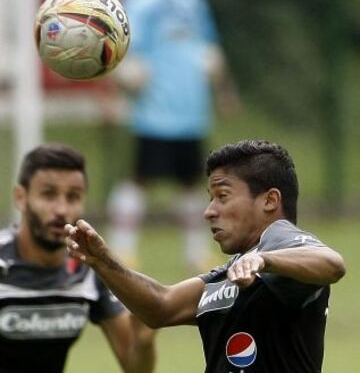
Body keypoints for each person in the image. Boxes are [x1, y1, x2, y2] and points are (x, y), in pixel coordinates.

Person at [66, 139, 346, 373]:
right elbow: (161, 306)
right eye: (211, 198)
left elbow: (331, 264)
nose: (209, 210)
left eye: (222, 196)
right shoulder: (233, 271)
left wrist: (265, 260)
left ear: (270, 201)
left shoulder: (279, 239)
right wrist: (103, 262)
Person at [0, 144, 156, 373]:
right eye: (48, 194)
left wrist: (144, 341)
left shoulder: (89, 268)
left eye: (72, 197)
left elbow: (135, 368)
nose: (61, 209)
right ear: (21, 198)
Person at [107, 0, 225, 271]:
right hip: (154, 111)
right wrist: (118, 91)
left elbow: (209, 48)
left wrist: (223, 89)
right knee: (139, 179)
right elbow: (123, 49)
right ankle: (122, 250)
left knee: (192, 182)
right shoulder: (142, 0)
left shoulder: (194, 0)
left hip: (191, 111)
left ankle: (197, 253)